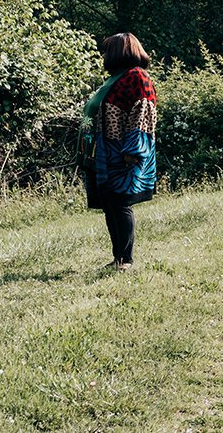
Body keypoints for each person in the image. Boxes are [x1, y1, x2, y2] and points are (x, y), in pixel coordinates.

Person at [81, 33, 159, 270]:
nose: (103, 55)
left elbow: (143, 113)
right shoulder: (114, 79)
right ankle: (117, 258)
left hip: (121, 152)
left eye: (107, 50)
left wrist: (133, 151)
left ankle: (126, 260)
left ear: (119, 51)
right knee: (109, 205)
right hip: (101, 152)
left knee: (120, 203)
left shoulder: (137, 76)